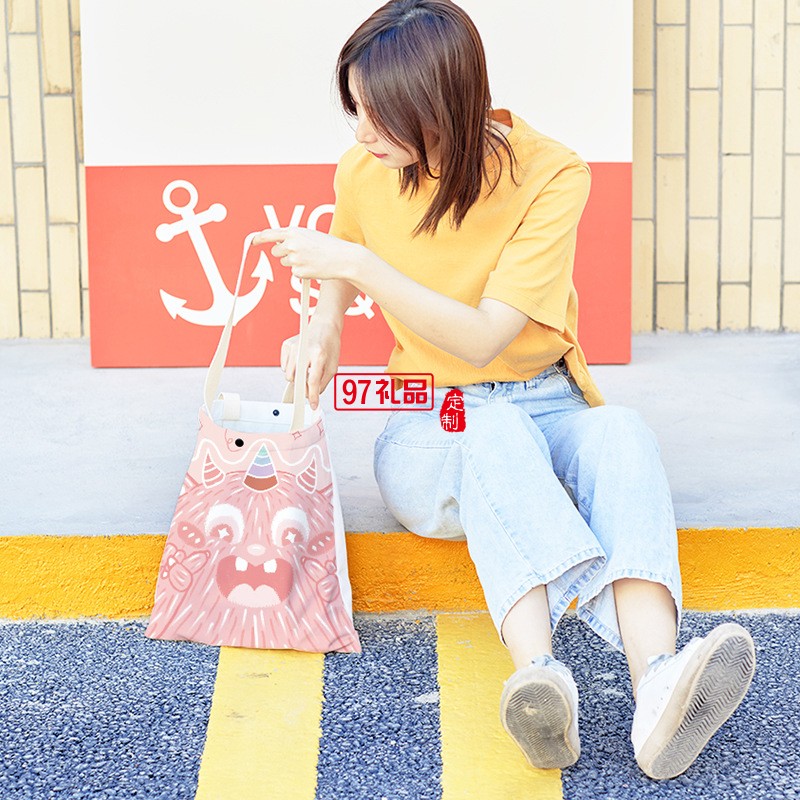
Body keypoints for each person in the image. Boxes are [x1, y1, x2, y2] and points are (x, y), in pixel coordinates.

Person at [254, 0, 756, 781]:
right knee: (490, 429)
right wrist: (322, 328)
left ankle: (657, 691)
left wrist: (360, 267)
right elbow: (342, 274)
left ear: (443, 109)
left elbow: (486, 335)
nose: (361, 132)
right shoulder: (363, 171)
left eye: (381, 115)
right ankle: (541, 675)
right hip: (435, 418)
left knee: (621, 430)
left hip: (546, 397)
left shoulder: (551, 174)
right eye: (354, 107)